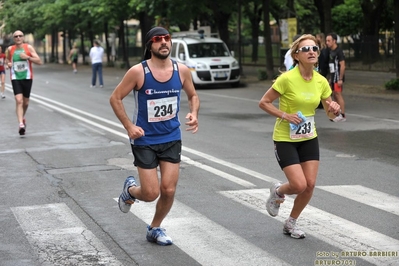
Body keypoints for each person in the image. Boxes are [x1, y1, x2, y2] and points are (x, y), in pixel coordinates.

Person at [109, 26, 200, 246]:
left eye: (167, 38)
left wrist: (194, 113)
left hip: (171, 136)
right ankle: (129, 190)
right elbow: (115, 98)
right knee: (150, 193)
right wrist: (129, 127)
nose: (164, 43)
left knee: (168, 189)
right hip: (144, 139)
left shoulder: (182, 70)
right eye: (158, 39)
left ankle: (155, 227)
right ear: (150, 45)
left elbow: (193, 95)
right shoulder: (138, 72)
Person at [259, 34, 341, 239]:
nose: (311, 51)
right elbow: (264, 102)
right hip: (285, 138)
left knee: (310, 184)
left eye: (314, 48)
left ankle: (291, 222)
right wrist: (284, 115)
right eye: (306, 49)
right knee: (298, 185)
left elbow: (331, 115)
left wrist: (335, 109)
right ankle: (278, 191)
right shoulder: (286, 79)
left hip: (309, 137)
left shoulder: (321, 81)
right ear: (296, 55)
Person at [6, 30, 42, 135]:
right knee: (19, 100)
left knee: (25, 102)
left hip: (27, 77)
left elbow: (39, 61)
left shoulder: (28, 48)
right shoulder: (10, 49)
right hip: (15, 77)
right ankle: (21, 124)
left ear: (23, 37)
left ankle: (22, 117)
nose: (18, 38)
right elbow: (7, 61)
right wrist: (8, 64)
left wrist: (27, 57)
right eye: (16, 36)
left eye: (20, 36)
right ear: (13, 39)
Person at [326, 33, 346, 122]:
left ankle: (342, 115)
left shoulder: (339, 51)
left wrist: (340, 78)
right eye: (326, 40)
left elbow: (342, 65)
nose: (327, 42)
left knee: (338, 94)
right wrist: (330, 77)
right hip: (333, 76)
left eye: (329, 41)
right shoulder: (331, 51)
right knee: (334, 94)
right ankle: (337, 113)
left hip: (338, 77)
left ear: (334, 41)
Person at [315, 33, 329, 109]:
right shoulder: (319, 48)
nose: (316, 38)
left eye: (317, 37)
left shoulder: (324, 49)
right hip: (320, 69)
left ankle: (321, 102)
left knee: (321, 86)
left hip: (322, 70)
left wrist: (322, 70)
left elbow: (324, 60)